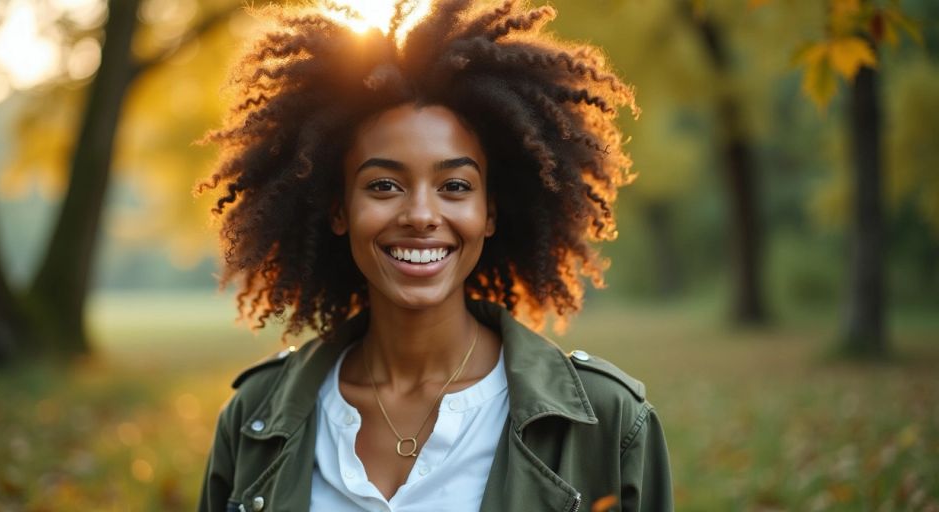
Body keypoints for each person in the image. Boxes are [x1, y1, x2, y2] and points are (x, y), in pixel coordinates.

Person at [196, 0, 672, 510]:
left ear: (490, 212)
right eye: (383, 185)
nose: (421, 214)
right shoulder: (252, 417)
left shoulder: (611, 421)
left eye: (454, 185)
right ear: (339, 211)